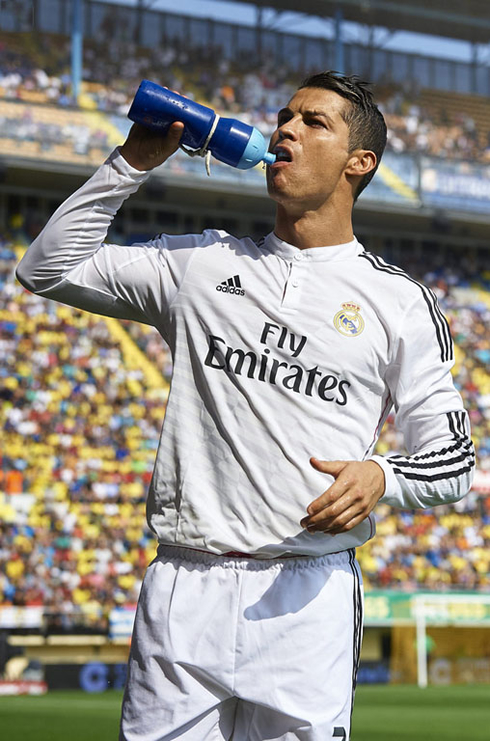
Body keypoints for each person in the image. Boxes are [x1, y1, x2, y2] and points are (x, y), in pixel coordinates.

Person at [16, 71, 474, 740]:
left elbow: (452, 460)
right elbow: (47, 268)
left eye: (314, 122)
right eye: (283, 116)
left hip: (305, 594)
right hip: (182, 584)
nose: (284, 128)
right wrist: (131, 163)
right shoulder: (200, 263)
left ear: (360, 162)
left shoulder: (401, 302)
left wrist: (384, 475)